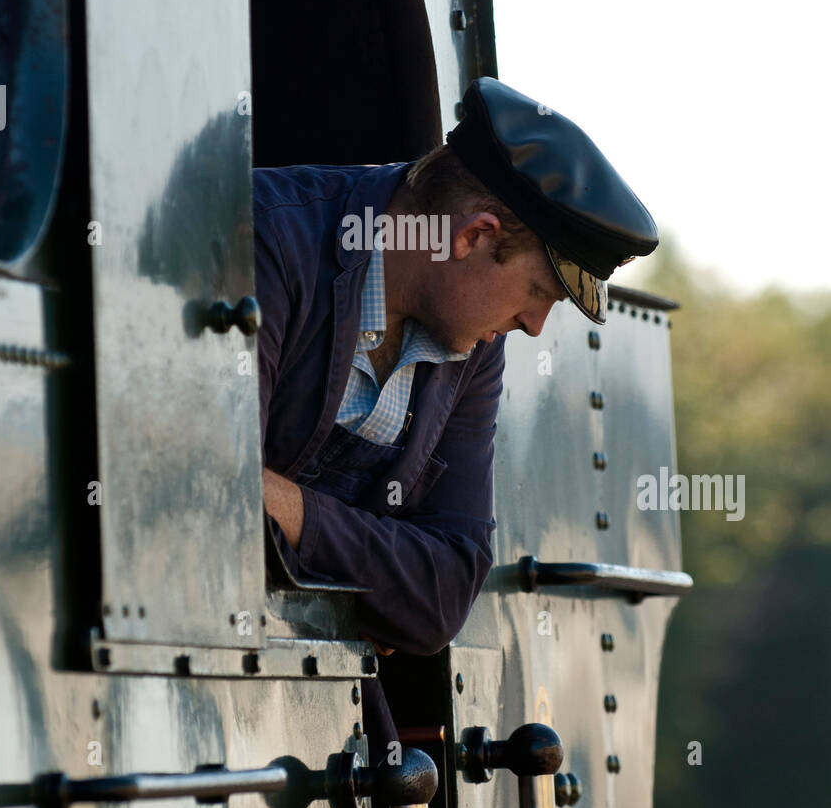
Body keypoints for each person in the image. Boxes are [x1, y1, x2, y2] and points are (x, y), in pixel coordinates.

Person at [255, 76, 658, 757]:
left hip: (320, 742)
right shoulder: (267, 240)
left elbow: (442, 594)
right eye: (538, 291)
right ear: (474, 235)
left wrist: (283, 505)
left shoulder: (474, 347)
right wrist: (370, 573)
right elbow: (200, 493)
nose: (533, 326)